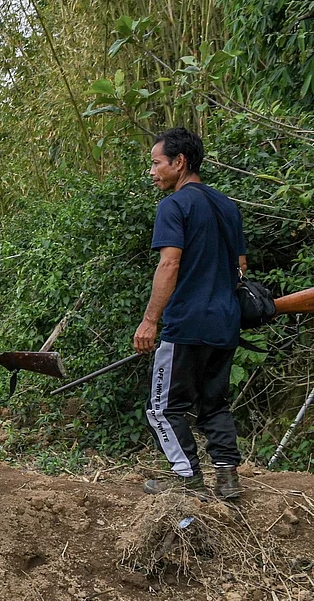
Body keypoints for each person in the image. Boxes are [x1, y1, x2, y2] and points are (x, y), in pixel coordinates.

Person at [133, 127, 246, 500]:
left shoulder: (174, 205)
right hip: (226, 322)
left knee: (161, 408)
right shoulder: (227, 206)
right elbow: (240, 267)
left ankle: (187, 477)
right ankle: (228, 477)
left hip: (185, 325)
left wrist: (150, 320)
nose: (152, 171)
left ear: (179, 163)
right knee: (214, 402)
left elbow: (169, 265)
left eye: (156, 163)